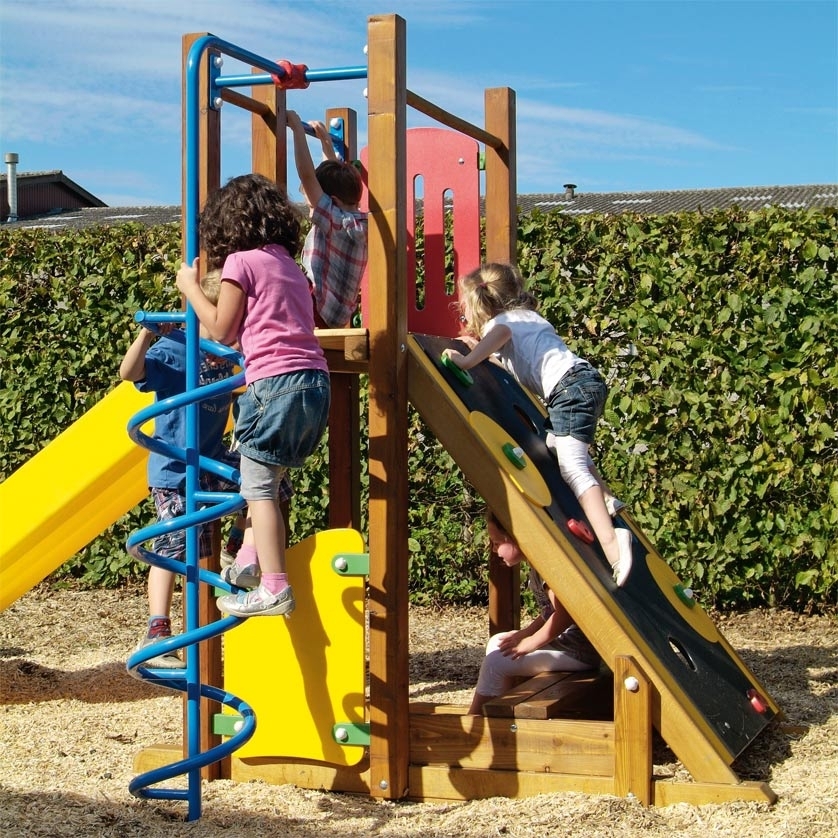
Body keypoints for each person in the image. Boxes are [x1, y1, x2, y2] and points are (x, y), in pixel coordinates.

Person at [176, 173, 330, 618]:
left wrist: (190, 288)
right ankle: (247, 560)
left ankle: (274, 587)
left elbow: (222, 331)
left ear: (227, 225)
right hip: (314, 384)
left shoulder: (240, 263)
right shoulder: (292, 268)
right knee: (270, 479)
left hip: (274, 385)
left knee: (258, 490)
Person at [443, 262, 633, 586]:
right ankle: (603, 497)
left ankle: (614, 545)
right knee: (558, 443)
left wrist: (465, 359)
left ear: (480, 306)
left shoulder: (500, 325)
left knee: (573, 468)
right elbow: (512, 354)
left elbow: (499, 335)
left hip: (568, 390)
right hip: (585, 380)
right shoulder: (528, 318)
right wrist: (480, 350)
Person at [120, 270, 249, 667]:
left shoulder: (229, 353)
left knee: (266, 480)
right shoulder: (176, 347)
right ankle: (156, 631)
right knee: (173, 545)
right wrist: (149, 335)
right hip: (175, 468)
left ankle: (235, 551)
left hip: (209, 457)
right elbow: (129, 373)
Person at [469, 512, 601, 715]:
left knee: (494, 663)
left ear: (516, 539)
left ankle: (476, 720)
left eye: (496, 543)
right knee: (498, 641)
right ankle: (500, 712)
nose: (493, 549)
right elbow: (549, 612)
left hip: (579, 651)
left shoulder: (546, 570)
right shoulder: (535, 567)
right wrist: (524, 634)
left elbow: (565, 615)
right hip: (567, 645)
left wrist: (531, 643)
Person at [287, 110, 368, 329]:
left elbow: (307, 176)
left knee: (280, 272)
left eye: (311, 199)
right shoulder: (357, 222)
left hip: (317, 311)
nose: (311, 203)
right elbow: (331, 180)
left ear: (331, 201)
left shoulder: (337, 222)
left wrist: (296, 129)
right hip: (335, 315)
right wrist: (326, 142)